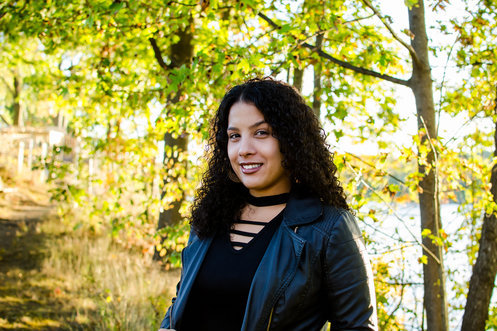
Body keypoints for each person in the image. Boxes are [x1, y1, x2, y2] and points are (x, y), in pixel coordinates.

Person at [159, 77, 377, 331]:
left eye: (261, 133)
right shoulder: (209, 218)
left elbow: (357, 327)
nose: (244, 149)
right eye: (234, 136)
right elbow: (181, 302)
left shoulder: (329, 228)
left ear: (291, 140)